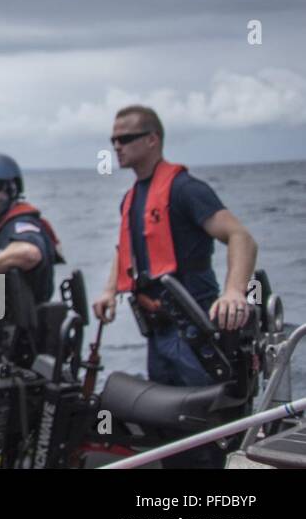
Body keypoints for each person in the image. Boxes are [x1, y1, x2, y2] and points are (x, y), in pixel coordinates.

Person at [90, 105, 257, 467]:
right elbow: (126, 249)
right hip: (158, 334)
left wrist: (234, 292)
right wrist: (109, 290)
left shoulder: (185, 190)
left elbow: (240, 237)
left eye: (125, 138)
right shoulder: (131, 198)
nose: (116, 146)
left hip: (194, 334)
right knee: (167, 433)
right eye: (113, 140)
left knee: (205, 431)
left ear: (153, 139)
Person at [0, 152, 64, 303]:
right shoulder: (3, 229)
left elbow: (29, 253)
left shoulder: (22, 223)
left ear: (11, 188)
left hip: (25, 316)